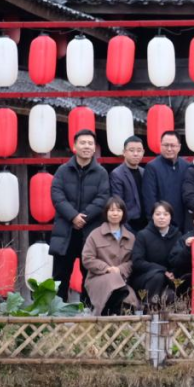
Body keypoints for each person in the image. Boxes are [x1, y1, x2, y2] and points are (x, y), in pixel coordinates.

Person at [50, 129, 110, 302]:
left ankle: (88, 310)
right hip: (65, 230)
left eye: (90, 143)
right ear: (74, 146)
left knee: (90, 274)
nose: (87, 146)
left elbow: (103, 198)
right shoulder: (62, 170)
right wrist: (73, 216)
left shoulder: (101, 173)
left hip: (90, 230)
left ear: (95, 147)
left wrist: (84, 217)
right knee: (60, 275)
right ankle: (58, 310)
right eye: (83, 143)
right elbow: (57, 196)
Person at [81, 198, 137, 315]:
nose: (115, 213)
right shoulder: (95, 234)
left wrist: (120, 269)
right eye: (111, 210)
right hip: (98, 278)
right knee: (116, 287)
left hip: (122, 280)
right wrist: (106, 268)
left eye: (118, 210)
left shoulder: (131, 237)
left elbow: (134, 261)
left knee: (130, 301)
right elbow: (87, 258)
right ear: (106, 213)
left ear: (123, 213)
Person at [130, 201, 182, 309]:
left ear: (171, 217)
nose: (161, 217)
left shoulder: (177, 235)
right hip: (146, 278)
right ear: (152, 216)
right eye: (158, 214)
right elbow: (137, 262)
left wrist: (172, 273)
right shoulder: (143, 235)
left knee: (169, 295)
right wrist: (162, 270)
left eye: (165, 214)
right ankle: (149, 309)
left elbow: (178, 260)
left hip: (169, 279)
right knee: (158, 276)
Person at [142, 130, 191, 232]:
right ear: (160, 145)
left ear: (179, 147)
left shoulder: (186, 166)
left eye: (172, 145)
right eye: (166, 145)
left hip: (183, 222)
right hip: (161, 222)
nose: (169, 149)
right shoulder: (152, 167)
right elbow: (149, 198)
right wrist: (154, 221)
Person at [109, 135, 146, 231]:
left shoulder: (144, 172)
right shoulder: (117, 174)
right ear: (124, 152)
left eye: (139, 150)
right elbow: (118, 202)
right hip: (129, 223)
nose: (136, 154)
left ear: (143, 152)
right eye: (132, 150)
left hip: (146, 223)